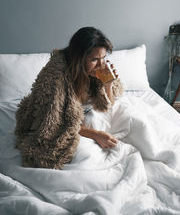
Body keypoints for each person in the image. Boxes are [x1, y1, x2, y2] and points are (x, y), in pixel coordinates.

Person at [15, 27, 124, 169]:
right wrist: (95, 134)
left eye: (103, 58)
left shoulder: (96, 71)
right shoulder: (55, 78)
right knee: (85, 158)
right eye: (94, 59)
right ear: (79, 59)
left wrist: (108, 85)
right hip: (66, 122)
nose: (101, 64)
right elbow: (53, 124)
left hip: (84, 116)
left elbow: (108, 105)